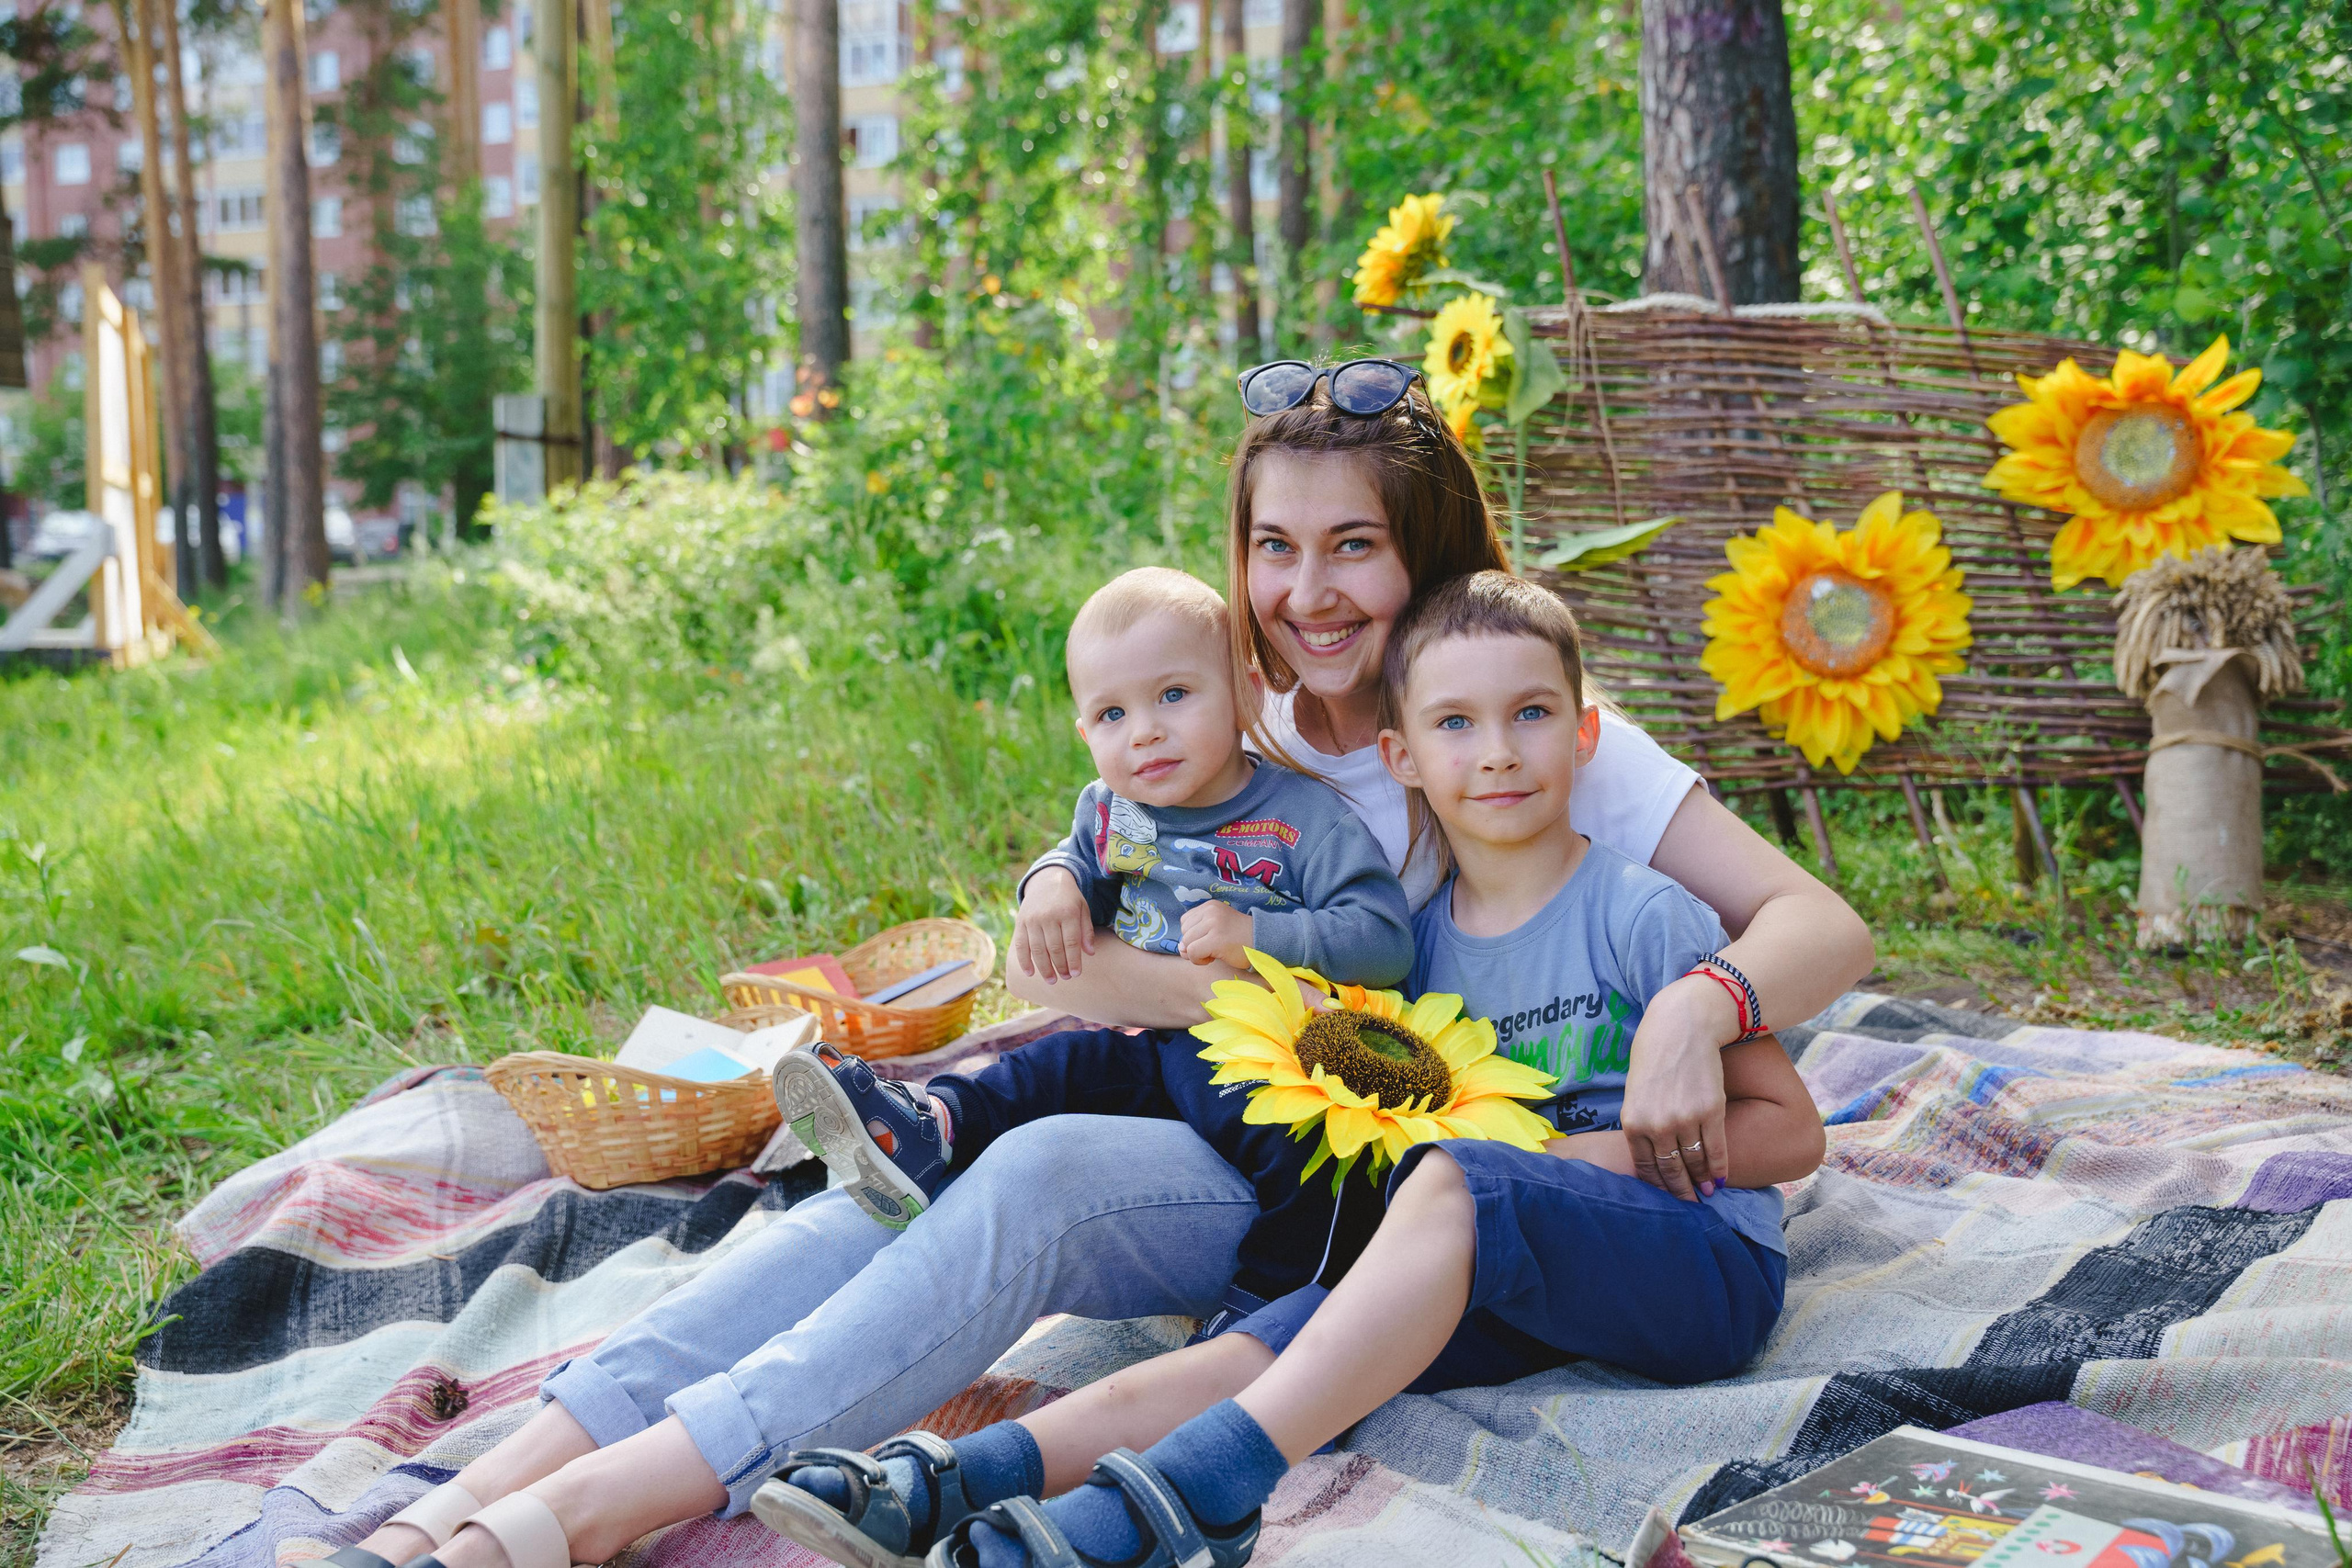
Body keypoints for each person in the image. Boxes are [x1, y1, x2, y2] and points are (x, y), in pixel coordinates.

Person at [308, 363, 1871, 1568]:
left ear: (1429, 556)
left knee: (1039, 1164)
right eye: (1273, 546)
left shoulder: (1507, 715)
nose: (1308, 591)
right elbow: (1097, 916)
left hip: (1362, 1178)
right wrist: (1081, 917)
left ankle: (612, 1494)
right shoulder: (1220, 722)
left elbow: (1822, 927)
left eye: (1354, 548)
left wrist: (1700, 999)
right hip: (1258, 1129)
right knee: (914, 1176)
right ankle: (498, 1466)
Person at [758, 570, 1827, 1568]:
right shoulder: (1415, 954)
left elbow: (1789, 1132)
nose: (1495, 752)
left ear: (1586, 733)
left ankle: (1195, 1495)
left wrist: (1578, 1152)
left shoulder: (1640, 914)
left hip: (1698, 1266)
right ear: (1401, 757)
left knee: (1457, 1179)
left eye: (1530, 714)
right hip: (1515, 1259)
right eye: (1454, 723)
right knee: (1297, 1326)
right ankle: (959, 1475)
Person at [768, 562, 1410, 1273]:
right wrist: (1051, 882)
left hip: (1262, 1055)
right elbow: (1081, 866)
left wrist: (1259, 936)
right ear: (1084, 731)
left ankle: (1278, 1288)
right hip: (1151, 1039)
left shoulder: (1300, 818)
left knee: (1291, 1148)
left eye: (1173, 695)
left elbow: (1384, 941)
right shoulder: (1120, 810)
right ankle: (924, 1128)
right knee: (1046, 1068)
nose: (1144, 733)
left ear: (1245, 695)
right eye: (1113, 714)